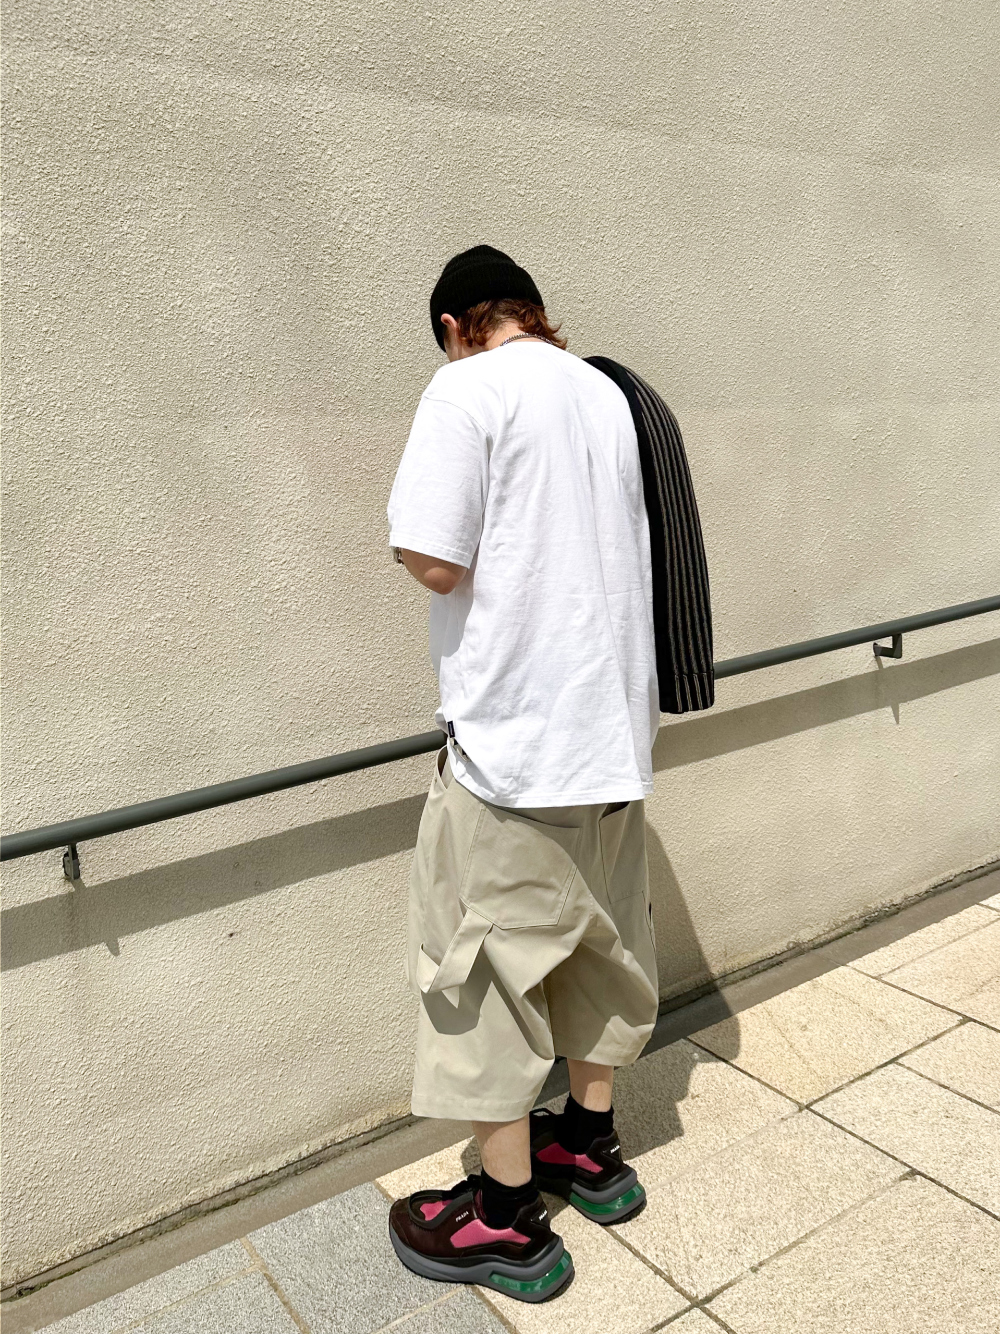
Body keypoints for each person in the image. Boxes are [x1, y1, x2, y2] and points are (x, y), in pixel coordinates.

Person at [385, 245, 659, 1303]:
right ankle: (589, 1147)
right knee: (601, 947)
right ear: (534, 313)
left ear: (455, 326)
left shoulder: (466, 389)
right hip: (614, 743)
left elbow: (435, 557)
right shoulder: (606, 391)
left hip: (515, 749)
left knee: (483, 978)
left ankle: (504, 1219)